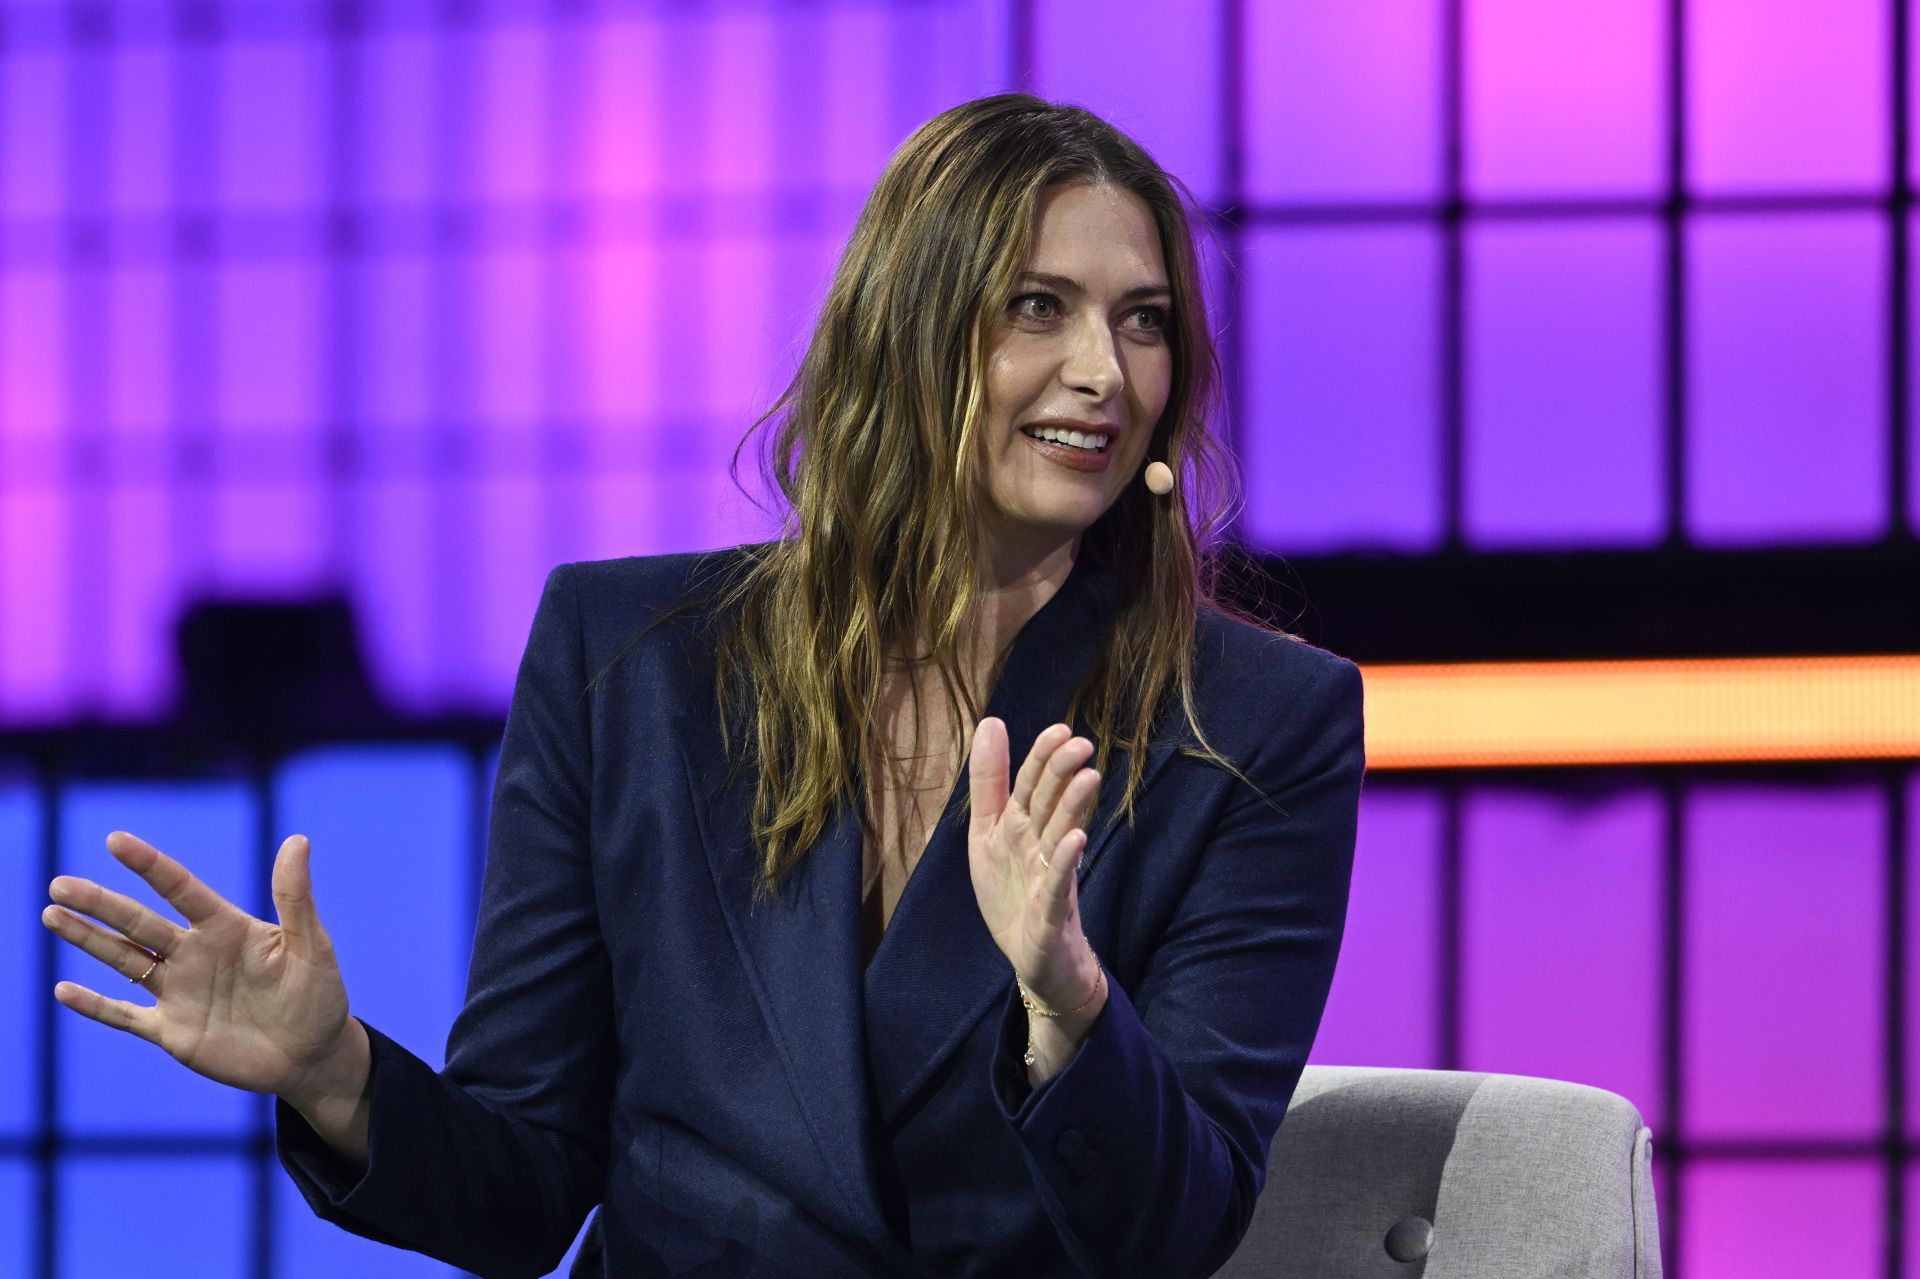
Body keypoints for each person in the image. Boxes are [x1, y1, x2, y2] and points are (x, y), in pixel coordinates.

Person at [40, 93, 1365, 1278]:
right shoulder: (628, 658)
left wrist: (1070, 1011)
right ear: (904, 333)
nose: (1103, 374)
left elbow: (1180, 1234)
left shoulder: (1257, 724)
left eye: (1144, 323)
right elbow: (522, 1188)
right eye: (1039, 307)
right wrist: (337, 1076)